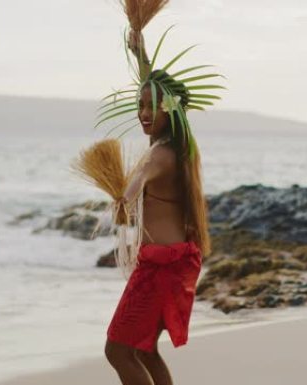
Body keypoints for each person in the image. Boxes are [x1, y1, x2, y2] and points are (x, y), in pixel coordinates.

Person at [103, 28, 212, 385]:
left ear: (170, 110)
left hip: (160, 267)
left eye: (151, 107)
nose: (143, 113)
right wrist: (140, 53)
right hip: (172, 260)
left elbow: (131, 192)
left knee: (118, 350)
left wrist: (121, 197)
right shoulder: (179, 145)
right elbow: (153, 85)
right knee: (145, 349)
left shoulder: (159, 156)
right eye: (139, 104)